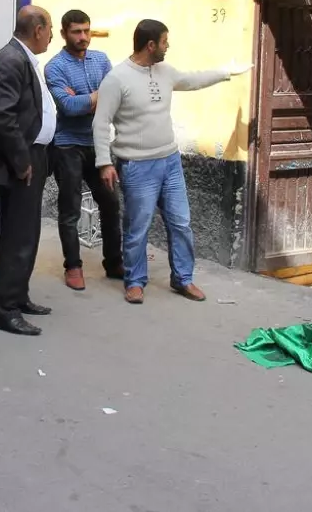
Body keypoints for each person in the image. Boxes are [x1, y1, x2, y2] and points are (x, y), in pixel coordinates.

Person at [93, 19, 252, 305]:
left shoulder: (165, 71)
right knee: (137, 227)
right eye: (165, 42)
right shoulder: (116, 79)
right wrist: (105, 162)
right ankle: (135, 282)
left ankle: (183, 279)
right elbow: (101, 123)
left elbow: (192, 79)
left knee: (181, 223)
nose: (168, 47)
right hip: (136, 166)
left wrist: (225, 71)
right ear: (151, 45)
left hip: (170, 161)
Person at [0, 5, 56, 336]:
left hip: (34, 156)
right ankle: (4, 310)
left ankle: (18, 296)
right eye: (50, 29)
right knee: (18, 235)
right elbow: (1, 115)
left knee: (28, 233)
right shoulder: (11, 59)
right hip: (22, 161)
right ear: (37, 30)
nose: (52, 35)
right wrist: (21, 162)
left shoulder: (24, 58)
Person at [43, 9, 123, 291]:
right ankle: (73, 266)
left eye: (87, 31)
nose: (83, 37)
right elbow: (69, 107)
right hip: (67, 146)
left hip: (98, 143)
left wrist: (87, 99)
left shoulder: (101, 60)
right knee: (70, 209)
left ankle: (114, 263)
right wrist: (98, 97)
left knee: (111, 203)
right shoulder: (54, 67)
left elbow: (115, 100)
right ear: (64, 34)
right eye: (77, 32)